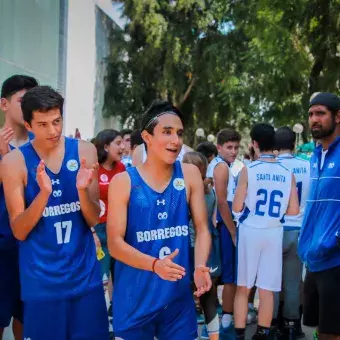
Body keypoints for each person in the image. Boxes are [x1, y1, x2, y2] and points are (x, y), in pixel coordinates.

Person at [2, 86, 109, 340]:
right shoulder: (14, 163)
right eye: (43, 124)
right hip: (42, 286)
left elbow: (93, 218)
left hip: (85, 281)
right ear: (28, 125)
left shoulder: (84, 151)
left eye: (57, 121)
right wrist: (43, 195)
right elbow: (19, 230)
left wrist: (82, 190)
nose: (53, 131)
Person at [107, 100, 212, 340]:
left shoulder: (190, 174)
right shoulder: (124, 182)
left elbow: (203, 229)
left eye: (179, 133)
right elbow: (114, 244)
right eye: (167, 132)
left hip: (177, 303)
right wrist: (155, 265)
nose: (176, 140)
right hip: (135, 300)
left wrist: (199, 266)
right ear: (147, 136)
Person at [232, 123, 299, 340]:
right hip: (274, 231)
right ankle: (262, 333)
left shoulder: (248, 170)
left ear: (255, 144)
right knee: (267, 289)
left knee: (243, 286)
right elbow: (294, 210)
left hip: (251, 230)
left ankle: (240, 333)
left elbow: (236, 207)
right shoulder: (287, 172)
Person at [298, 92, 340, 340]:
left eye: (321, 113)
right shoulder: (315, 155)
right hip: (312, 260)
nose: (314, 119)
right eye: (311, 114)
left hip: (335, 261)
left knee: (331, 334)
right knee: (317, 331)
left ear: (337, 117)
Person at [0, 74, 38, 340]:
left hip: (35, 246)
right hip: (2, 247)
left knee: (28, 319)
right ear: (4, 104)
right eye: (22, 100)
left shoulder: (44, 145)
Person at [274, 126, 310, 338]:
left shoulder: (271, 165)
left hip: (275, 229)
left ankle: (273, 321)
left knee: (273, 280)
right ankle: (292, 324)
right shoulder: (307, 165)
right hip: (298, 227)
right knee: (293, 281)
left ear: (276, 146)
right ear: (294, 144)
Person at [183, 151, 221, 340]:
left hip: (191, 247)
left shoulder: (187, 190)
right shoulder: (209, 189)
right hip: (210, 247)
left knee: (187, 296)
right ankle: (214, 336)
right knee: (209, 297)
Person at [209, 128, 241, 335]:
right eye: (229, 147)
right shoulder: (221, 167)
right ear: (219, 147)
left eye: (237, 147)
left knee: (216, 274)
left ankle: (217, 320)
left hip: (218, 222)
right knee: (229, 275)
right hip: (223, 223)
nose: (234, 151)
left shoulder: (220, 165)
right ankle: (227, 321)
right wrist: (233, 232)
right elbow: (221, 202)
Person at [93, 129, 126, 288]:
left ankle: (116, 309)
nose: (123, 147)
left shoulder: (122, 169)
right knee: (101, 279)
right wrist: (92, 232)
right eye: (118, 143)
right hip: (98, 230)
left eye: (123, 143)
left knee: (120, 276)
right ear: (106, 147)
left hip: (118, 229)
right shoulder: (94, 168)